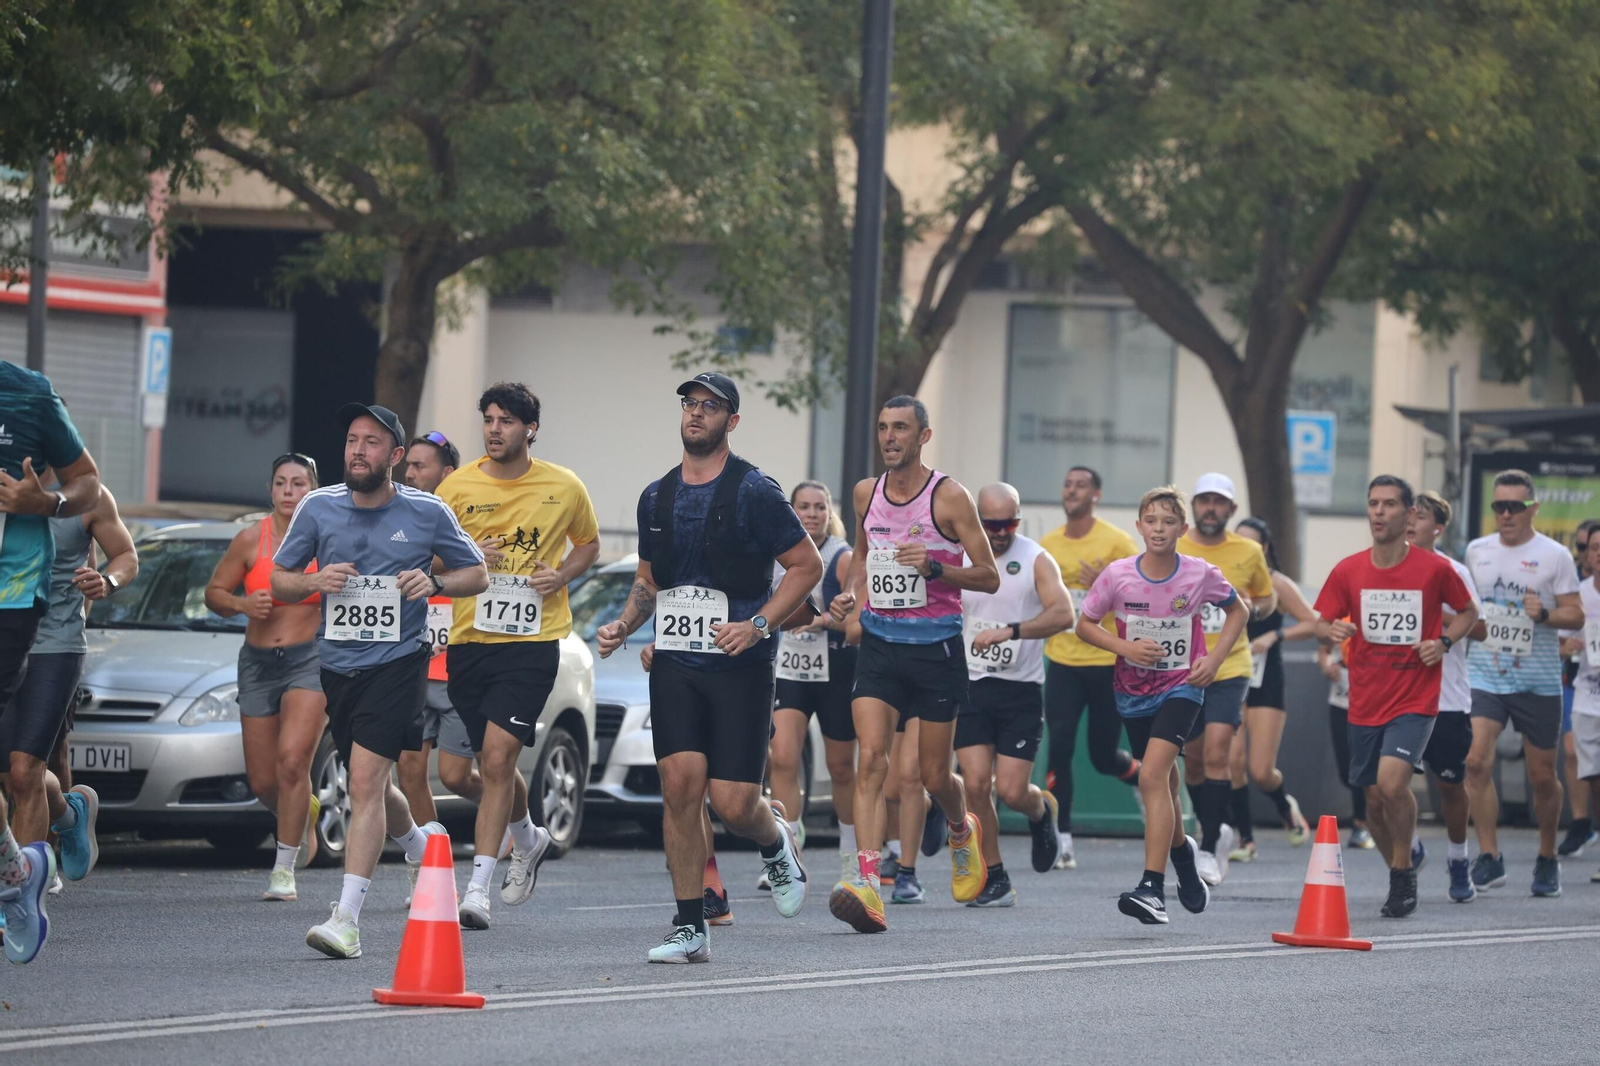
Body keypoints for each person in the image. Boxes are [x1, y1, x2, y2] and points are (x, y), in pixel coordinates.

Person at [596, 372, 820, 964]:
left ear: (732, 421)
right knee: (680, 786)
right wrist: (624, 624)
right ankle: (690, 924)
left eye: (711, 406)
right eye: (690, 404)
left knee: (734, 803)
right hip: (676, 661)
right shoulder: (656, 496)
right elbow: (648, 581)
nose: (696, 413)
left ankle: (776, 840)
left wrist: (759, 625)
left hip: (740, 662)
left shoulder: (755, 491)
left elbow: (806, 566)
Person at [273, 403, 488, 959]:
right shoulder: (318, 507)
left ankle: (346, 919)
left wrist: (434, 582)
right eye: (352, 440)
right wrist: (314, 581)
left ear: (394, 455)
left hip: (398, 662)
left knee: (365, 783)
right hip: (337, 665)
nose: (358, 451)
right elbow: (279, 579)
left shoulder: (427, 511)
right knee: (370, 783)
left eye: (371, 442)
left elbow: (477, 574)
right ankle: (420, 844)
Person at [826, 395, 1000, 934]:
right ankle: (868, 883)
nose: (889, 437)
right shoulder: (866, 493)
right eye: (883, 427)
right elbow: (861, 554)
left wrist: (938, 568)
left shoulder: (949, 497)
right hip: (880, 645)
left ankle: (960, 826)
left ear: (923, 436)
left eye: (900, 428)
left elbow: (989, 575)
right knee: (872, 761)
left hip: (936, 650)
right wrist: (850, 594)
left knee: (932, 775)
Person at [437, 383, 598, 929]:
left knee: (499, 758)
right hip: (469, 640)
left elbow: (589, 544)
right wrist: (466, 556)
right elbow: (430, 558)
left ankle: (477, 889)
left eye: (505, 421)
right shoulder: (456, 487)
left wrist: (562, 574)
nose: (494, 429)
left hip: (532, 642)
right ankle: (528, 837)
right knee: (485, 763)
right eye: (488, 419)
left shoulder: (564, 485)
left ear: (530, 429)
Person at [1075, 485, 1246, 924]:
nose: (1158, 529)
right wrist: (1126, 648)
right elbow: (1084, 624)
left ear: (1182, 529)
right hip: (1132, 693)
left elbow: (1239, 611)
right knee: (1165, 785)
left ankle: (1152, 887)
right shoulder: (1117, 575)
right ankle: (1184, 858)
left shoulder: (1199, 573)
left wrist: (1213, 659)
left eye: (1168, 522)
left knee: (1151, 775)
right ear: (1138, 526)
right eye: (1151, 521)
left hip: (1182, 687)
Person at [1314, 475, 1477, 918]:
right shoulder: (1348, 570)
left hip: (1415, 698)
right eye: (1373, 503)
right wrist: (1332, 630)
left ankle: (1403, 872)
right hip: (1365, 698)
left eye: (1389, 504)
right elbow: (1320, 622)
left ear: (1409, 514)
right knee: (1372, 801)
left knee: (1391, 784)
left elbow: (1469, 612)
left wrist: (1443, 643)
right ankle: (1400, 868)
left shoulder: (1434, 569)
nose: (1379, 511)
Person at [0, 359, 102, 964]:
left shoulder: (29, 396)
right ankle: (37, 848)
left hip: (31, 616)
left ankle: (18, 894)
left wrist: (48, 502)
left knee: (22, 771)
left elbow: (89, 486)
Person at [2, 470, 135, 902]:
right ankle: (70, 813)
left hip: (54, 646)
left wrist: (107, 581)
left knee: (25, 771)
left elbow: (126, 556)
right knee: (10, 777)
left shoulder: (86, 496)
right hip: (4, 644)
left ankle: (22, 898)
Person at [396, 430, 519, 890]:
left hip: (458, 664)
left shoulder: (468, 515)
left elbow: (479, 573)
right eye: (408, 466)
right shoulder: (399, 517)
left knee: (454, 775)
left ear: (447, 473)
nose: (410, 474)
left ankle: (507, 814)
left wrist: (463, 558)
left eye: (420, 466)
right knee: (410, 771)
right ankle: (429, 867)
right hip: (413, 661)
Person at [205, 454, 329, 902]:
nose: (289, 491)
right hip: (257, 662)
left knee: (293, 762)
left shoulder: (329, 537)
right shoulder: (249, 539)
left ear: (314, 490)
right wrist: (242, 604)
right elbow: (213, 593)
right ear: (271, 490)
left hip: (309, 659)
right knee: (262, 781)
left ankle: (283, 868)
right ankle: (302, 811)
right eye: (281, 483)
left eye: (298, 483)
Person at [1463, 469, 1583, 898]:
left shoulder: (1555, 556)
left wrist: (1544, 614)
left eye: (1515, 506)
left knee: (1543, 776)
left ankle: (1547, 855)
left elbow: (1576, 614)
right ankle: (1489, 856)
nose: (1506, 514)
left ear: (1533, 508)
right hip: (1485, 674)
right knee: (1475, 762)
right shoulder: (1477, 551)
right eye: (1499, 506)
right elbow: (1466, 606)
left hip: (1538, 680)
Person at [954, 483, 1074, 907]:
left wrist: (1012, 631)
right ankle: (996, 876)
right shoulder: (960, 555)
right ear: (977, 520)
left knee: (1010, 791)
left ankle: (1040, 811)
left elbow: (1064, 613)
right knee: (974, 783)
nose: (1001, 533)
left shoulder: (1036, 558)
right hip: (970, 684)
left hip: (1019, 689)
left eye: (1009, 524)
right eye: (992, 525)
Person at [1038, 466, 1142, 868]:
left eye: (1081, 485)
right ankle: (1061, 837)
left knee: (1101, 755)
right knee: (1059, 745)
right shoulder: (1048, 545)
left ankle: (1138, 776)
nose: (1072, 491)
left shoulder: (1117, 542)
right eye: (1067, 484)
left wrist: (1106, 581)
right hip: (1063, 659)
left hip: (1106, 661)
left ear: (1096, 495)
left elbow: (1143, 595)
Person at [1177, 473, 1276, 885]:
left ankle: (1209, 844)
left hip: (1230, 664)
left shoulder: (1248, 551)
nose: (1210, 508)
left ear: (1232, 509)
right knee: (1195, 761)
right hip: (1183, 666)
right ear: (1193, 506)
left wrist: (1253, 608)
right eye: (1204, 500)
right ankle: (1213, 825)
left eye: (1219, 502)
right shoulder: (1176, 546)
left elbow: (1268, 597)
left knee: (1219, 752)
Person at [767, 480, 858, 891]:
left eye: (819, 507)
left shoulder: (841, 556)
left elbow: (857, 617)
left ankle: (851, 855)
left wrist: (823, 620)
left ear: (829, 512)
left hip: (836, 668)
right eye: (804, 506)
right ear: (792, 510)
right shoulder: (779, 553)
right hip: (791, 666)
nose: (812, 514)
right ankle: (789, 849)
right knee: (784, 758)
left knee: (840, 767)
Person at [1404, 491, 1484, 902]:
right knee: (1387, 783)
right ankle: (1410, 846)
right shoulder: (1386, 567)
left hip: (1446, 698)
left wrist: (1438, 615)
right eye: (1408, 514)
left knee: (1450, 785)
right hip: (1397, 695)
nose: (1410, 521)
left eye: (1420, 516)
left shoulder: (1453, 570)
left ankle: (1458, 858)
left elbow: (1480, 627)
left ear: (1437, 528)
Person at [1225, 516, 1315, 863]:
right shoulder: (1223, 579)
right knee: (1232, 760)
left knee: (1261, 771)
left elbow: (1313, 623)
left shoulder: (1276, 583)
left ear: (1263, 548)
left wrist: (1275, 635)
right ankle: (1245, 840)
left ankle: (1284, 805)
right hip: (1231, 675)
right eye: (1238, 541)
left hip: (1266, 678)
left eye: (1251, 543)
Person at [1557, 518, 1600, 858]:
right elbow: (1557, 641)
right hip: (1584, 690)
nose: (1595, 554)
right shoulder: (1579, 595)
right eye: (1591, 548)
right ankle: (1584, 823)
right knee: (1590, 771)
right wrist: (1567, 646)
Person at [1316, 630, 1374, 848]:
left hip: (1373, 699)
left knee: (1362, 764)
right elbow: (1324, 650)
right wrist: (1327, 667)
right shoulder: (1341, 620)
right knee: (1346, 769)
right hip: (1341, 698)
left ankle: (1361, 823)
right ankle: (1370, 814)